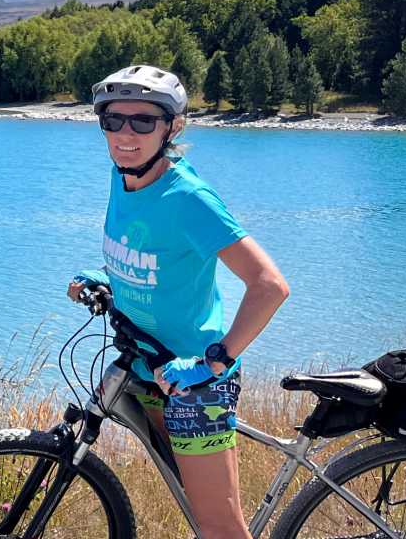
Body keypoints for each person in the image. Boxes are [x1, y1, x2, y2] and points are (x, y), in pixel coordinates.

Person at [67, 65, 290, 539]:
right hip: (146, 363)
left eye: (143, 121)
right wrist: (106, 278)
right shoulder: (123, 176)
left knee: (220, 530)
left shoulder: (188, 197)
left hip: (194, 382)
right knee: (192, 504)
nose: (126, 134)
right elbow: (151, 255)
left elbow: (270, 285)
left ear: (172, 127)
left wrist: (214, 362)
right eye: (113, 120)